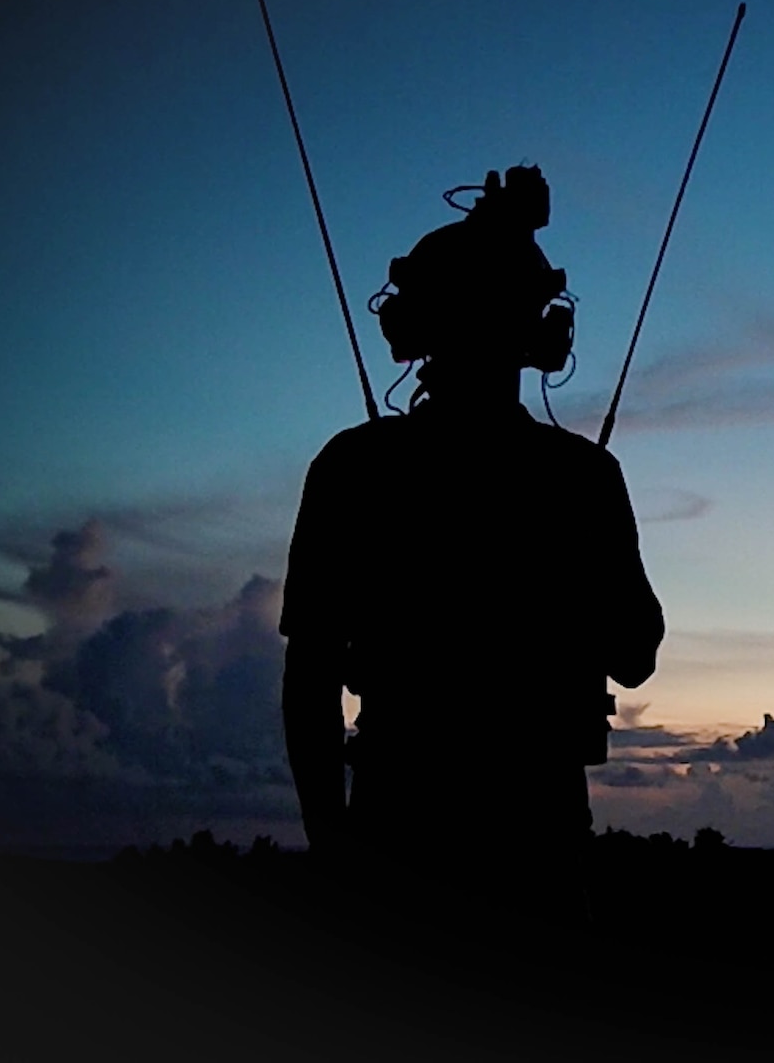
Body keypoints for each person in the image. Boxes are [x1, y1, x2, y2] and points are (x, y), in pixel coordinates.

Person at [279, 166, 665, 934]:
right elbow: (636, 653)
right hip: (540, 852)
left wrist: (333, 847)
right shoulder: (584, 477)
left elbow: (309, 685)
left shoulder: (352, 467)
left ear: (411, 327)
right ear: (542, 334)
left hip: (392, 843)